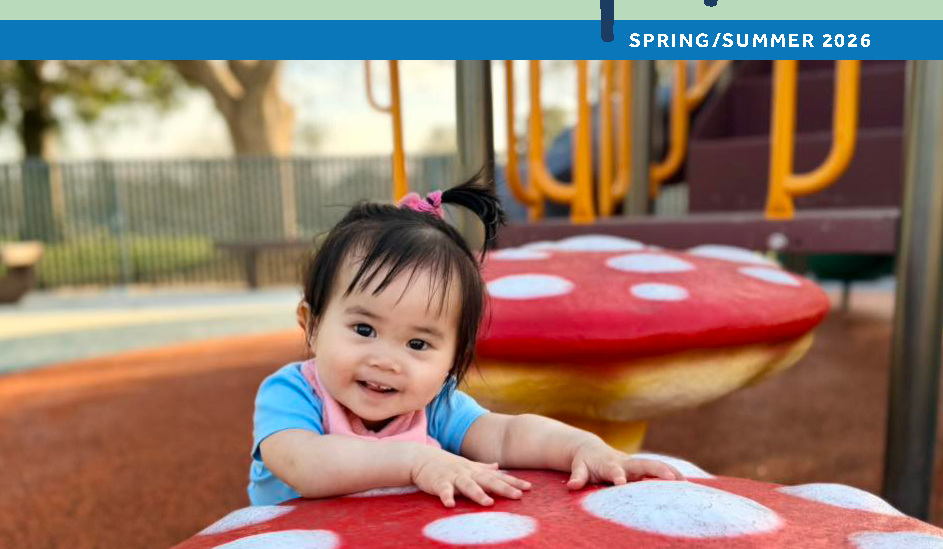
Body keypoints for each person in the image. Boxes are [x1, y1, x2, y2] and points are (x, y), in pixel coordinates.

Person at [249, 172, 682, 508]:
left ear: (453, 357)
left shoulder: (434, 404)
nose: (386, 360)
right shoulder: (294, 394)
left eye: (418, 345)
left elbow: (509, 434)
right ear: (311, 323)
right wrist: (416, 462)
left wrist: (582, 446)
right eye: (364, 330)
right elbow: (303, 464)